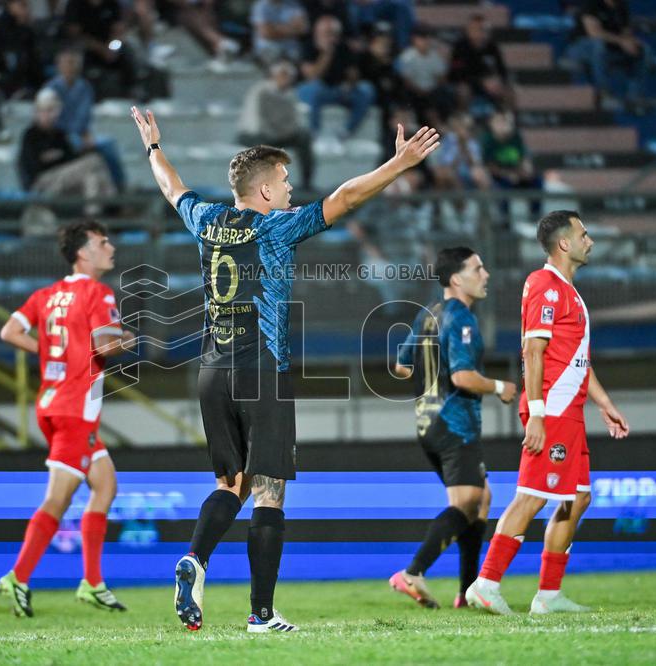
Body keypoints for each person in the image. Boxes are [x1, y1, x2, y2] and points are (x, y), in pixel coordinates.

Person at [131, 104, 440, 632]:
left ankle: (195, 560)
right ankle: (261, 614)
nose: (291, 189)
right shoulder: (274, 228)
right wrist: (398, 165)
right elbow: (343, 200)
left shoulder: (205, 220)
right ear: (266, 191)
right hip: (260, 368)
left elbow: (170, 187)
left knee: (232, 483)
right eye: (285, 179)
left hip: (212, 371)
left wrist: (154, 148)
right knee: (269, 491)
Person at [466, 210, 630, 616]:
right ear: (564, 244)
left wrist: (605, 405)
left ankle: (549, 594)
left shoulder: (568, 291)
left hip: (568, 411)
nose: (590, 241)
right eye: (584, 234)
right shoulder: (544, 285)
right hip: (552, 410)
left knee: (577, 497)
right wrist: (537, 413)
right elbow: (532, 351)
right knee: (532, 496)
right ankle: (485, 583)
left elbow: (576, 359)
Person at [0, 218, 136, 618]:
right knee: (57, 500)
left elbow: (9, 331)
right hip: (76, 409)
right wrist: (129, 338)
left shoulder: (47, 295)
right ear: (82, 252)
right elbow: (106, 346)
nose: (110, 247)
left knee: (105, 486)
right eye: (102, 242)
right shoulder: (98, 293)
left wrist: (51, 352)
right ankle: (18, 576)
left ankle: (92, 583)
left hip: (55, 403)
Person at [389, 247, 516, 609]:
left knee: (481, 500)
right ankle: (413, 572)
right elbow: (462, 376)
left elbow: (402, 367)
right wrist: (498, 387)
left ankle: (467, 592)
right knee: (468, 502)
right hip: (454, 423)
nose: (486, 274)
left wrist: (433, 376)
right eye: (478, 268)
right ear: (457, 279)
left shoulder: (428, 314)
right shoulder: (460, 318)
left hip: (426, 421)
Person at [17, 90, 114, 217]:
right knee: (94, 162)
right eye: (45, 110)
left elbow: (71, 159)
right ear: (37, 112)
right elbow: (35, 166)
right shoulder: (30, 135)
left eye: (52, 110)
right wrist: (56, 158)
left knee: (92, 177)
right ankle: (114, 202)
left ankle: (93, 216)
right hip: (43, 183)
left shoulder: (60, 134)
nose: (49, 115)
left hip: (65, 181)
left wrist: (84, 148)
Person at [46, 49, 127, 192]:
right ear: (59, 65)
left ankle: (120, 189)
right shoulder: (51, 89)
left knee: (108, 145)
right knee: (74, 142)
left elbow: (84, 115)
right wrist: (72, 132)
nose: (71, 67)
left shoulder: (84, 87)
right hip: (58, 135)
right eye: (68, 63)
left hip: (82, 133)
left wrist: (84, 134)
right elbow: (51, 118)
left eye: (75, 63)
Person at [237, 59, 315, 190]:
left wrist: (285, 133)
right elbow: (258, 121)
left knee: (304, 137)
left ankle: (306, 183)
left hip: (279, 134)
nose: (285, 78)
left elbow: (294, 121)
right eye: (282, 74)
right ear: (274, 76)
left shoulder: (290, 95)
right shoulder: (261, 92)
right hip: (256, 133)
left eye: (288, 76)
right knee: (263, 146)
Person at [563, 0, 651, 110]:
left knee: (643, 49)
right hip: (580, 47)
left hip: (609, 45)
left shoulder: (621, 6)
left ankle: (635, 97)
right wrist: (621, 41)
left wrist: (630, 42)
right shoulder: (591, 4)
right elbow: (594, 33)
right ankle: (604, 93)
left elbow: (626, 32)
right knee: (598, 46)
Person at [298, 15, 377, 136]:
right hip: (316, 90)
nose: (332, 37)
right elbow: (312, 76)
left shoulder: (344, 47)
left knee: (366, 89)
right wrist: (327, 53)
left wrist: (350, 82)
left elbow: (353, 75)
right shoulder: (308, 46)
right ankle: (314, 134)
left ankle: (345, 131)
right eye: (327, 33)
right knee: (314, 88)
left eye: (335, 34)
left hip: (338, 90)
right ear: (317, 33)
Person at [447, 14, 513, 114]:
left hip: (488, 84)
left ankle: (508, 120)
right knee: (463, 91)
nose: (480, 33)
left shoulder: (492, 47)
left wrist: (499, 80)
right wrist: (481, 82)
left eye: (483, 30)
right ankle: (463, 117)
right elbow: (455, 74)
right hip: (468, 83)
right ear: (469, 31)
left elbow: (502, 70)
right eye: (477, 29)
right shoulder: (460, 47)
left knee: (508, 91)